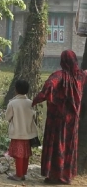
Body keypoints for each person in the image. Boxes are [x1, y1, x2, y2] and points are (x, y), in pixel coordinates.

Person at [32, 50, 86, 185]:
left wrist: (33, 101)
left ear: (62, 61)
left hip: (56, 120)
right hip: (72, 121)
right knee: (68, 147)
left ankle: (54, 176)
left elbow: (48, 89)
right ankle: (66, 176)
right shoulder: (80, 77)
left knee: (56, 146)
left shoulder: (58, 75)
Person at [5, 80, 38, 181]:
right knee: (25, 154)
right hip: (28, 133)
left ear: (16, 90)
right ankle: (23, 173)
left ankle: (18, 175)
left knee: (19, 154)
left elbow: (7, 117)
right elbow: (34, 115)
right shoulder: (31, 102)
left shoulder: (12, 103)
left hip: (17, 133)